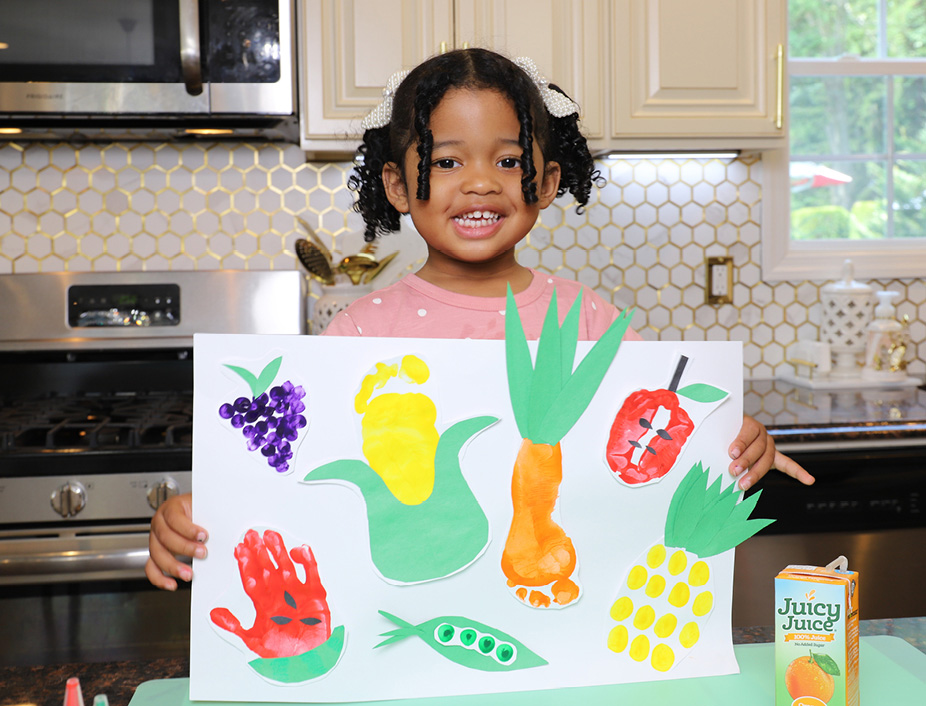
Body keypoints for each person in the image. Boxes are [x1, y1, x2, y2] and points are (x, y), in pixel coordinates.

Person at [146, 48, 814, 591]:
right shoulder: (356, 335)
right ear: (399, 186)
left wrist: (725, 443)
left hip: (559, 625)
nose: (480, 182)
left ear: (547, 183)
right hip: (411, 641)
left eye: (508, 160)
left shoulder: (588, 322)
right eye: (446, 161)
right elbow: (301, 489)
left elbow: (650, 443)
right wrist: (200, 516)